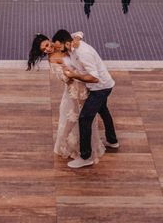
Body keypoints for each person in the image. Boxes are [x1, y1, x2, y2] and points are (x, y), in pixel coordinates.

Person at [27, 33, 105, 161]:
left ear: (50, 40)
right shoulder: (52, 59)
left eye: (47, 45)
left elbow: (76, 34)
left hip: (85, 84)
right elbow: (64, 79)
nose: (47, 49)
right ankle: (70, 146)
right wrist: (68, 72)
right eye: (44, 49)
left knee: (88, 116)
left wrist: (77, 39)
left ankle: (87, 145)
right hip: (74, 90)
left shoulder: (60, 44)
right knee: (74, 117)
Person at [51, 29, 119, 169]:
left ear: (68, 43)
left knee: (84, 118)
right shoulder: (73, 43)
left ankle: (85, 157)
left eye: (60, 47)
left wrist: (74, 75)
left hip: (100, 88)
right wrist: (78, 36)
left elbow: (94, 78)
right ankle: (113, 141)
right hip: (106, 84)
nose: (59, 50)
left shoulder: (83, 54)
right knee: (103, 110)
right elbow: (79, 32)